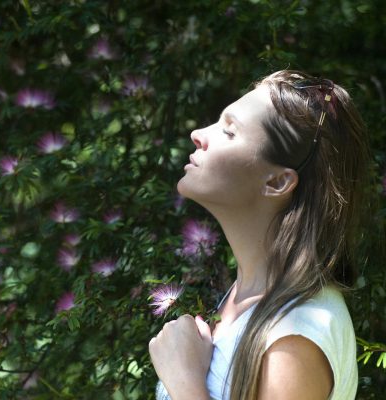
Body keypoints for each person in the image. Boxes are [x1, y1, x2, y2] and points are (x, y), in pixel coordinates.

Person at [149, 69, 369, 400]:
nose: (198, 133)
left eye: (229, 131)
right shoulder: (245, 300)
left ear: (277, 183)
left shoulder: (296, 333)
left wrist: (183, 381)